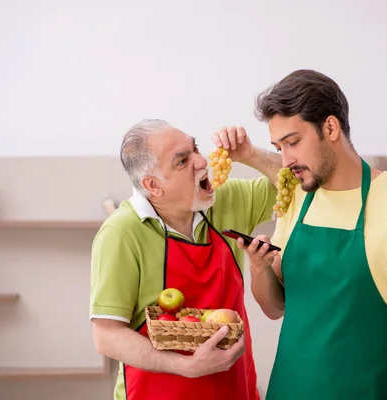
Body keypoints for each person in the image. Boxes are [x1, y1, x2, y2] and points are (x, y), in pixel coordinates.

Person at [240, 69, 387, 400]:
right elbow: (276, 307)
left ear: (331, 127)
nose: (286, 159)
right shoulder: (296, 198)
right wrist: (258, 266)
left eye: (293, 142)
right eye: (278, 147)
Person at [89, 119, 282, 400]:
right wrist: (187, 366)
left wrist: (250, 154)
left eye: (195, 149)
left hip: (234, 391)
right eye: (182, 161)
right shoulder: (121, 233)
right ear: (153, 185)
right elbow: (106, 335)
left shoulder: (222, 199)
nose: (201, 161)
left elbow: (296, 181)